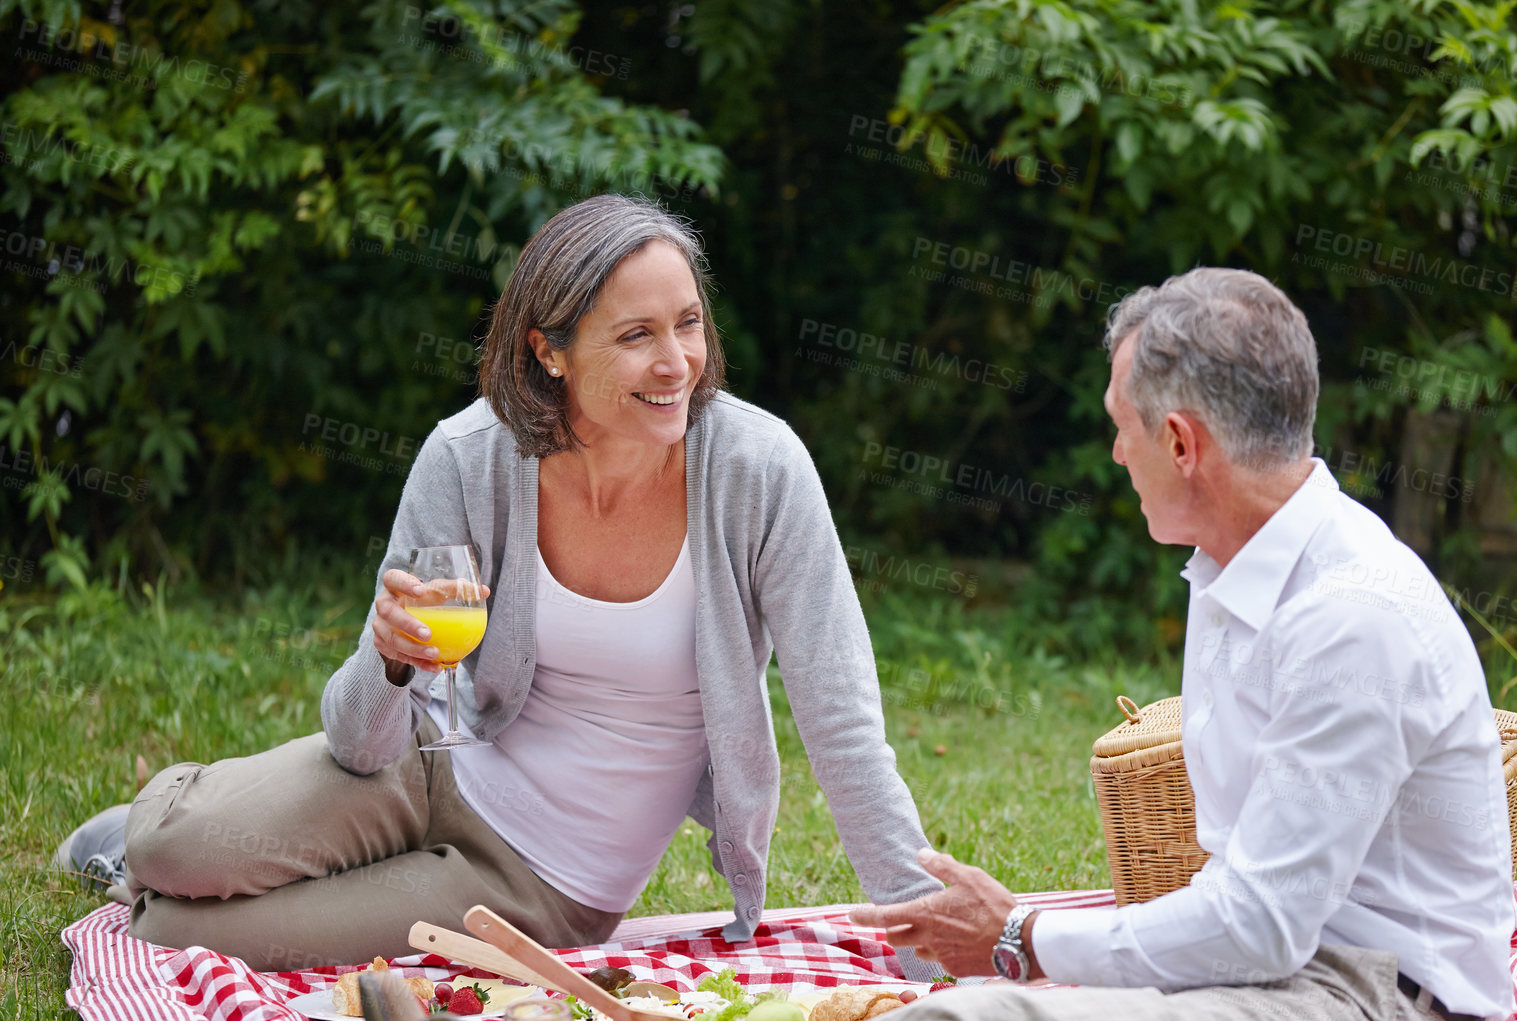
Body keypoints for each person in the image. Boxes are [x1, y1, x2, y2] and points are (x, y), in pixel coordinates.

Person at [359, 266, 1517, 1021]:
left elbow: (1263, 926)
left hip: (1365, 1015)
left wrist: (1023, 938)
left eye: (1120, 426)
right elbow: (1249, 894)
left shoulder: (1346, 616)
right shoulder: (1241, 564)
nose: (1112, 452)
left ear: (1182, 441)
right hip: (1285, 969)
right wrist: (1029, 940)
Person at [52, 194, 943, 980]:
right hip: (426, 765)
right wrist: (391, 659)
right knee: (171, 844)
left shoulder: (758, 470)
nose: (677, 363)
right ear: (548, 352)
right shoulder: (470, 457)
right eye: (636, 336)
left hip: (536, 881)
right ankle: (158, 829)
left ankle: (164, 880)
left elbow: (842, 724)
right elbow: (361, 744)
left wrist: (926, 935)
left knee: (170, 931)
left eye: (688, 325)